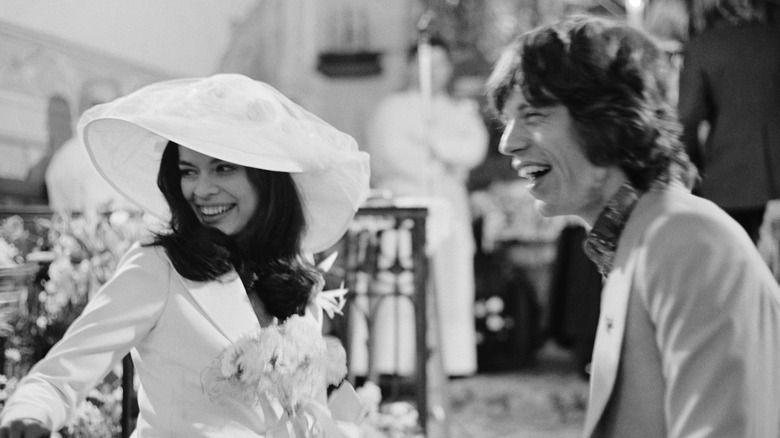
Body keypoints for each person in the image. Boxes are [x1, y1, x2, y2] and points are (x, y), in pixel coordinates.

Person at [0, 74, 370, 437]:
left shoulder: (292, 273)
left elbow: (307, 408)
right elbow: (59, 377)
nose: (202, 189)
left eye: (223, 168)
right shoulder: (159, 265)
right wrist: (30, 415)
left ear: (267, 177)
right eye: (188, 171)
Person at [486, 15, 780, 437]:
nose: (507, 141)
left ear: (607, 120)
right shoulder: (638, 240)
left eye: (532, 114)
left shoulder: (689, 241)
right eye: (508, 119)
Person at [363, 36, 488, 377]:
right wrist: (440, 163)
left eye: (439, 64)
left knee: (450, 283)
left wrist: (437, 146)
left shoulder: (457, 109)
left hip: (448, 207)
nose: (432, 72)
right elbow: (390, 155)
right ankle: (393, 361)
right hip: (404, 203)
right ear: (409, 67)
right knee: (399, 281)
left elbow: (473, 148)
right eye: (424, 64)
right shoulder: (391, 108)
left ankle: (452, 360)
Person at [678, 0, 780, 243]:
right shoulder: (774, 38)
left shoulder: (703, 47)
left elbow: (687, 118)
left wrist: (694, 165)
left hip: (730, 179)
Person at [45, 78, 134, 214]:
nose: (110, 113)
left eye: (115, 106)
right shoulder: (81, 154)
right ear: (83, 108)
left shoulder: (119, 151)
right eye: (100, 106)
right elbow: (109, 213)